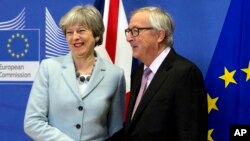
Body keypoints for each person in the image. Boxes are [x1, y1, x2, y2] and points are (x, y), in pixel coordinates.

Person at [24, 5, 125, 141]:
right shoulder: (49, 68)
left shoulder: (115, 75)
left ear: (96, 35)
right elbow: (32, 122)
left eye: (81, 31)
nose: (75, 37)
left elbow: (116, 129)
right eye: (69, 32)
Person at [110, 6, 208, 141]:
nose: (128, 38)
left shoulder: (185, 73)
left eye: (135, 31)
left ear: (159, 35)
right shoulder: (138, 73)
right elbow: (133, 129)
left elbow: (190, 135)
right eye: (128, 31)